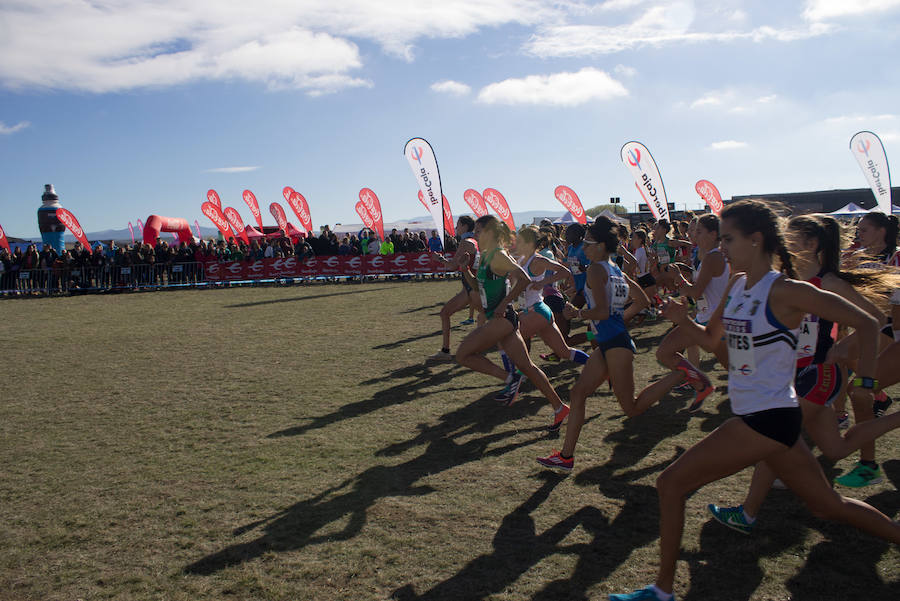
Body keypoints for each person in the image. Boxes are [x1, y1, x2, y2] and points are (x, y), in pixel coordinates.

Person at [609, 200, 900, 601]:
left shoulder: (787, 290)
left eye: (728, 238)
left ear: (756, 238)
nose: (721, 247)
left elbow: (868, 322)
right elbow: (713, 343)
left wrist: (865, 379)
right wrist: (681, 321)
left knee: (670, 483)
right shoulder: (738, 284)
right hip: (762, 415)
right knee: (827, 507)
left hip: (768, 416)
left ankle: (661, 591)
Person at [706, 212, 900, 533]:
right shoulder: (786, 280)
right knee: (835, 448)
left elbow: (876, 321)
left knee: (774, 437)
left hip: (821, 373)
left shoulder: (830, 282)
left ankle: (748, 512)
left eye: (790, 235)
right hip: (794, 374)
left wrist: (847, 354)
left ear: (811, 243)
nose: (781, 239)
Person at [537, 217, 652, 470]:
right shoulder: (615, 269)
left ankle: (681, 374)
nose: (584, 247)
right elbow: (642, 301)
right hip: (608, 342)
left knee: (631, 408)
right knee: (578, 393)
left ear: (600, 245)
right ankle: (566, 457)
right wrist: (618, 319)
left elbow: (600, 311)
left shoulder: (597, 269)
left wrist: (575, 314)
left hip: (616, 344)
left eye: (588, 242)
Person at [455, 215, 570, 429]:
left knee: (463, 354)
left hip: (503, 318)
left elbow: (524, 279)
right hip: (500, 318)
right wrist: (466, 270)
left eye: (479, 231)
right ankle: (560, 408)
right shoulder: (486, 255)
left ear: (489, 233)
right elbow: (478, 288)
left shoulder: (498, 255)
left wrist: (504, 302)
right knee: (528, 367)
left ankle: (509, 379)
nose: (475, 235)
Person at [636, 214, 729, 412]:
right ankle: (700, 382)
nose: (692, 234)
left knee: (740, 374)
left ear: (713, 234)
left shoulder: (713, 256)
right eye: (693, 230)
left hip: (715, 322)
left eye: (698, 231)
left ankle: (701, 383)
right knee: (665, 353)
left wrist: (678, 277)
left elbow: (696, 291)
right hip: (705, 318)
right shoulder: (706, 255)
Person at [511, 226, 589, 376]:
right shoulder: (521, 260)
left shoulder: (538, 260)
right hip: (535, 311)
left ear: (528, 243)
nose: (516, 245)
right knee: (564, 352)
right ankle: (596, 364)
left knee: (513, 340)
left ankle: (518, 378)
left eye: (519, 242)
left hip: (537, 310)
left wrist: (542, 282)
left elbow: (564, 272)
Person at [428, 216, 482, 361]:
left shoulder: (465, 242)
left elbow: (452, 266)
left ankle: (447, 351)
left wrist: (438, 258)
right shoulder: (476, 241)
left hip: (471, 289)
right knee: (484, 317)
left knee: (446, 313)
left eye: (457, 225)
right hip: (472, 288)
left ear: (465, 226)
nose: (456, 228)